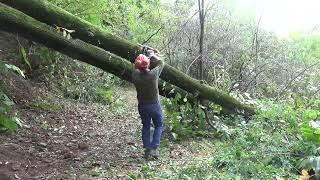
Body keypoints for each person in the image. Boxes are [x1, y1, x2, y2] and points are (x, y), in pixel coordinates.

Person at [132, 49, 165, 159]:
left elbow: (136, 67)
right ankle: (154, 149)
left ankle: (147, 150)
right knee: (159, 125)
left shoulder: (135, 76)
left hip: (142, 106)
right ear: (148, 64)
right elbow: (161, 63)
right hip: (154, 105)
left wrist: (142, 55)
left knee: (146, 126)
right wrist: (153, 55)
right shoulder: (153, 75)